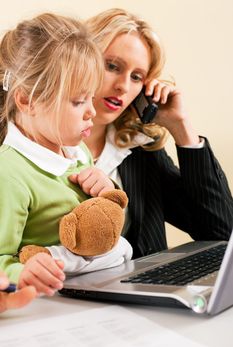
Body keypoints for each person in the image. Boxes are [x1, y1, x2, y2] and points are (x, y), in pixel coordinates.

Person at [70, 8, 233, 258]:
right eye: (112, 66)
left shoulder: (139, 150)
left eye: (136, 77)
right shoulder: (28, 140)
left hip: (135, 293)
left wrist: (181, 127)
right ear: (79, 58)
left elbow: (221, 230)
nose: (123, 86)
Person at [0, 13, 116, 296]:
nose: (92, 111)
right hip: (47, 306)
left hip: (93, 289)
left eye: (91, 97)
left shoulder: (76, 151)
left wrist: (105, 191)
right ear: (28, 100)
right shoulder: (10, 173)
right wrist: (23, 272)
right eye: (78, 101)